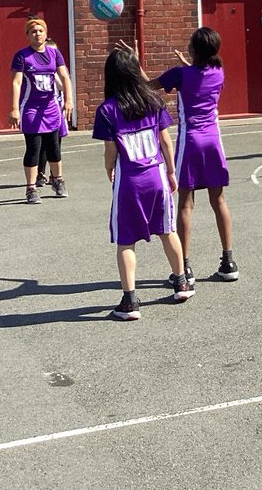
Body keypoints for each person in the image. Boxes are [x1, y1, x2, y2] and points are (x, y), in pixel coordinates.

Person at [93, 47, 194, 321]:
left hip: (130, 181)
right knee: (167, 229)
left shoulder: (107, 109)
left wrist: (108, 168)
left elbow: (110, 149)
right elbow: (166, 141)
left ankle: (130, 301)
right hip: (157, 175)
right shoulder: (152, 101)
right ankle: (181, 281)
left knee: (125, 240)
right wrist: (172, 172)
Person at [149, 28, 239, 285]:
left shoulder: (179, 75)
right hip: (213, 142)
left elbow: (148, 86)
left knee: (186, 204)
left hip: (190, 142)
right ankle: (228, 261)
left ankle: (185, 266)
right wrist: (188, 65)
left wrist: (133, 62)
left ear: (194, 50)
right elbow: (199, 75)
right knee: (219, 200)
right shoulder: (218, 73)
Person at [10, 18, 73, 204]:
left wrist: (69, 100)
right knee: (34, 148)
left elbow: (64, 76)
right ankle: (31, 188)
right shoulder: (22, 56)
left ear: (46, 34)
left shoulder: (54, 53)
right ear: (28, 35)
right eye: (33, 31)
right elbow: (16, 82)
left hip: (51, 107)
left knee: (53, 145)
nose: (37, 34)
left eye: (40, 31)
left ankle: (58, 180)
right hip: (30, 107)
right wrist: (14, 108)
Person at [35, 39, 67, 192]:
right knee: (41, 147)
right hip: (41, 112)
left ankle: (55, 176)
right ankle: (39, 174)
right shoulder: (39, 71)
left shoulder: (56, 72)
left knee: (55, 144)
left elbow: (62, 86)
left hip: (56, 112)